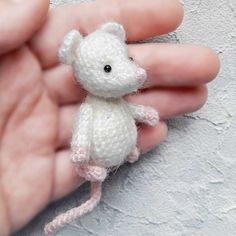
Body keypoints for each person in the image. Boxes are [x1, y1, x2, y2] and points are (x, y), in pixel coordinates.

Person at [0, 0, 220, 235]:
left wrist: (144, 113)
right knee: (93, 167)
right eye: (108, 69)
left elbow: (129, 111)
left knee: (133, 146)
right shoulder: (89, 108)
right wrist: (81, 151)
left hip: (126, 147)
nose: (134, 72)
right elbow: (82, 132)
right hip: (99, 156)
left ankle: (130, 151)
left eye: (129, 60)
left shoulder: (118, 102)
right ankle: (91, 169)